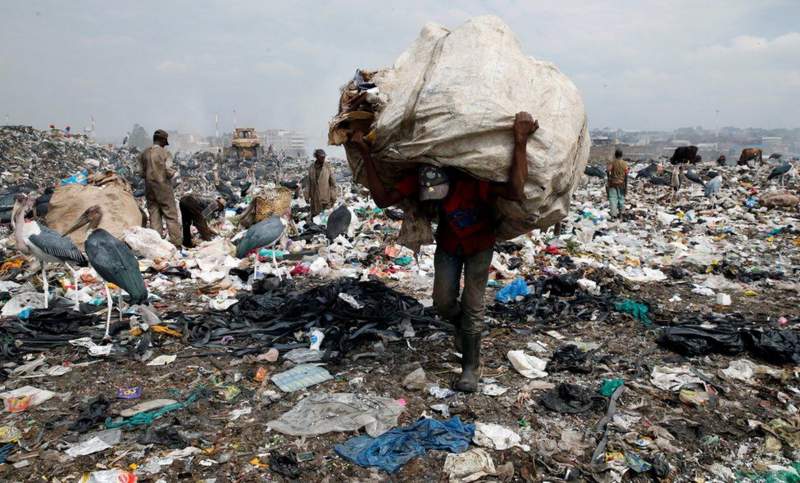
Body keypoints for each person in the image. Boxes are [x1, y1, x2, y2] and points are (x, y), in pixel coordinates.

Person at [348, 112, 538, 393]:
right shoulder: (426, 175)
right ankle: (463, 327)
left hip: (480, 246)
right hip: (449, 244)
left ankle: (471, 367)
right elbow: (383, 199)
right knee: (442, 302)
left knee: (474, 305)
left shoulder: (476, 175)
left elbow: (515, 190)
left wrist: (520, 141)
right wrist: (365, 151)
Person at [138, 129, 181, 246]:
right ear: (162, 140)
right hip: (163, 187)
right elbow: (168, 171)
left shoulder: (144, 153)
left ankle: (156, 244)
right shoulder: (165, 153)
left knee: (154, 215)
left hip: (149, 188)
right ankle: (176, 243)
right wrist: (173, 174)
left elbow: (140, 173)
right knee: (170, 215)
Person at [304, 149, 337, 216]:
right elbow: (308, 183)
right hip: (314, 197)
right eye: (321, 157)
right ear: (316, 157)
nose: (323, 159)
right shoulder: (311, 168)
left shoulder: (327, 167)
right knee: (316, 217)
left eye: (324, 157)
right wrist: (306, 196)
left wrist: (333, 197)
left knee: (325, 217)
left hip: (325, 197)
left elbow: (332, 184)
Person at [606, 149, 628, 219]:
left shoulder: (612, 163)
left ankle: (613, 215)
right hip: (622, 183)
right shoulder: (624, 163)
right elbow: (626, 175)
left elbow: (607, 171)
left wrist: (609, 178)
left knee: (613, 199)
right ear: (621, 155)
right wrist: (626, 185)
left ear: (615, 155)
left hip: (613, 183)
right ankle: (621, 214)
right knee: (621, 198)